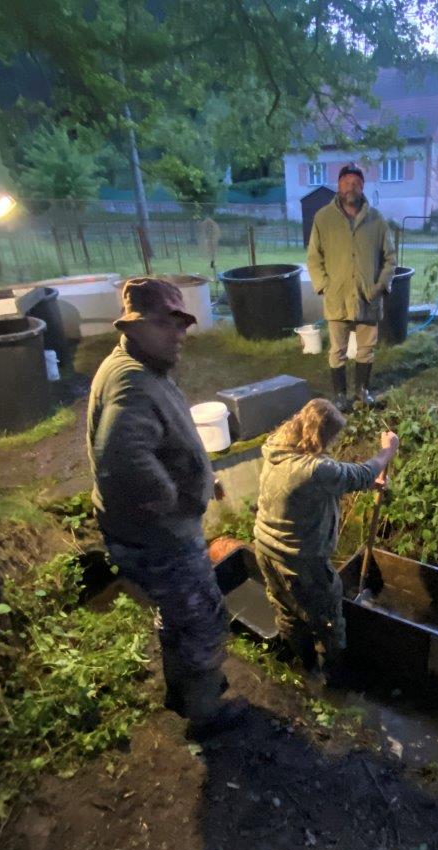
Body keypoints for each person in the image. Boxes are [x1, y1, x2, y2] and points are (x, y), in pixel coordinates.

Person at [87, 277, 246, 738]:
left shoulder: (141, 368)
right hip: (161, 540)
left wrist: (203, 478)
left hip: (148, 535)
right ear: (133, 327)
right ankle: (205, 715)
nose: (179, 334)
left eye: (182, 324)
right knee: (203, 621)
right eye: (166, 324)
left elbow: (158, 443)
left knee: (177, 615)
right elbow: (122, 458)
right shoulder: (132, 382)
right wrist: (174, 501)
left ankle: (183, 694)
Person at [253, 400, 399, 681]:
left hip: (265, 549)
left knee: (288, 611)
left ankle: (302, 669)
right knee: (329, 622)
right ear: (321, 435)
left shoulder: (278, 448)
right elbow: (359, 473)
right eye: (332, 437)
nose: (333, 443)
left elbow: (317, 485)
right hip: (299, 562)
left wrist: (368, 483)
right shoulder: (313, 469)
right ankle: (331, 681)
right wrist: (387, 450)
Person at [307, 163, 397, 412]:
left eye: (356, 183)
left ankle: (362, 391)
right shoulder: (323, 218)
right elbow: (313, 258)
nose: (351, 187)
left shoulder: (377, 220)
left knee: (366, 348)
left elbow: (390, 258)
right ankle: (339, 395)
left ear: (363, 187)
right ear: (339, 185)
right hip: (337, 297)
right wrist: (324, 285)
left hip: (369, 296)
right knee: (338, 349)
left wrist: (381, 285)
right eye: (346, 182)